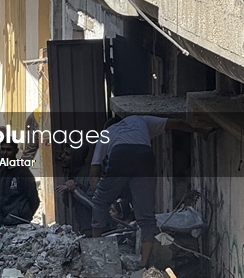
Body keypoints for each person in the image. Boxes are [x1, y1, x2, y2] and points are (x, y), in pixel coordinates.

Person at [90, 114, 210, 267]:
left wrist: (99, 194)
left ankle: (95, 254)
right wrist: (202, 130)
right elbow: (178, 123)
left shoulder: (107, 133)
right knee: (146, 217)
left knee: (99, 202)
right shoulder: (140, 120)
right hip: (145, 157)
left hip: (120, 154)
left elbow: (94, 170)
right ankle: (143, 263)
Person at [0, 141, 40, 226]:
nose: (5, 153)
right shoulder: (3, 170)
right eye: (2, 149)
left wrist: (25, 216)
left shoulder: (23, 172)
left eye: (9, 150)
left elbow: (33, 199)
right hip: (5, 222)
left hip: (20, 223)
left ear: (16, 151)